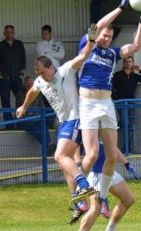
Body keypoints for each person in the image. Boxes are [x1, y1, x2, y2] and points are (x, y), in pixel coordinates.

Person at [77, 0, 141, 214]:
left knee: (110, 155)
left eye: (109, 36)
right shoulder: (87, 44)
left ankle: (102, 195)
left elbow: (136, 46)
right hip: (88, 104)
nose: (106, 37)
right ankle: (78, 190)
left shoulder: (113, 53)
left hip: (106, 104)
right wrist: (120, 7)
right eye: (104, 34)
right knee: (90, 154)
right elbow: (99, 24)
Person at [16, 24, 99, 202]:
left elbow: (84, 55)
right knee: (64, 163)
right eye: (37, 72)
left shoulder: (66, 70)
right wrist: (24, 106)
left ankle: (84, 185)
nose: (40, 75)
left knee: (60, 156)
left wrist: (91, 40)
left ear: (51, 67)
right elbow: (32, 91)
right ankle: (78, 201)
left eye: (42, 72)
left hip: (75, 119)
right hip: (64, 122)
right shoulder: (40, 80)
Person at [70, 138, 137, 231]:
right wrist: (77, 162)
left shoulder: (108, 123)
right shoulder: (90, 124)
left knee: (128, 199)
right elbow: (76, 143)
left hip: (109, 172)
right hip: (96, 174)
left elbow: (112, 147)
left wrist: (126, 163)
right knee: (95, 209)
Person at [112, 56, 141, 153]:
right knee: (126, 124)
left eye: (130, 62)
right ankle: (123, 149)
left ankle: (128, 149)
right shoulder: (118, 75)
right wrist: (117, 99)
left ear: (132, 63)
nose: (128, 63)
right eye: (126, 62)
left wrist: (140, 70)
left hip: (131, 103)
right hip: (121, 104)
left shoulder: (134, 76)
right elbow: (111, 88)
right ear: (123, 63)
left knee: (131, 126)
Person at [0, 25, 26, 129]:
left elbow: (23, 59)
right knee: (5, 102)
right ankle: (9, 125)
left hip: (17, 77)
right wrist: (0, 75)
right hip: (4, 78)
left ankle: (21, 123)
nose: (9, 34)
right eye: (7, 32)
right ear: (4, 33)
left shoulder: (19, 44)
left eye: (11, 32)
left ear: (14, 33)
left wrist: (21, 73)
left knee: (21, 100)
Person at [17, 76, 56, 156]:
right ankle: (47, 145)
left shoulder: (37, 94)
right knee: (33, 126)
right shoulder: (20, 94)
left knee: (43, 125)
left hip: (35, 118)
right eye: (28, 84)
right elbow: (21, 108)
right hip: (24, 120)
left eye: (31, 84)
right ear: (24, 84)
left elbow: (42, 107)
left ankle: (47, 145)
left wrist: (34, 113)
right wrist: (31, 113)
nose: (29, 85)